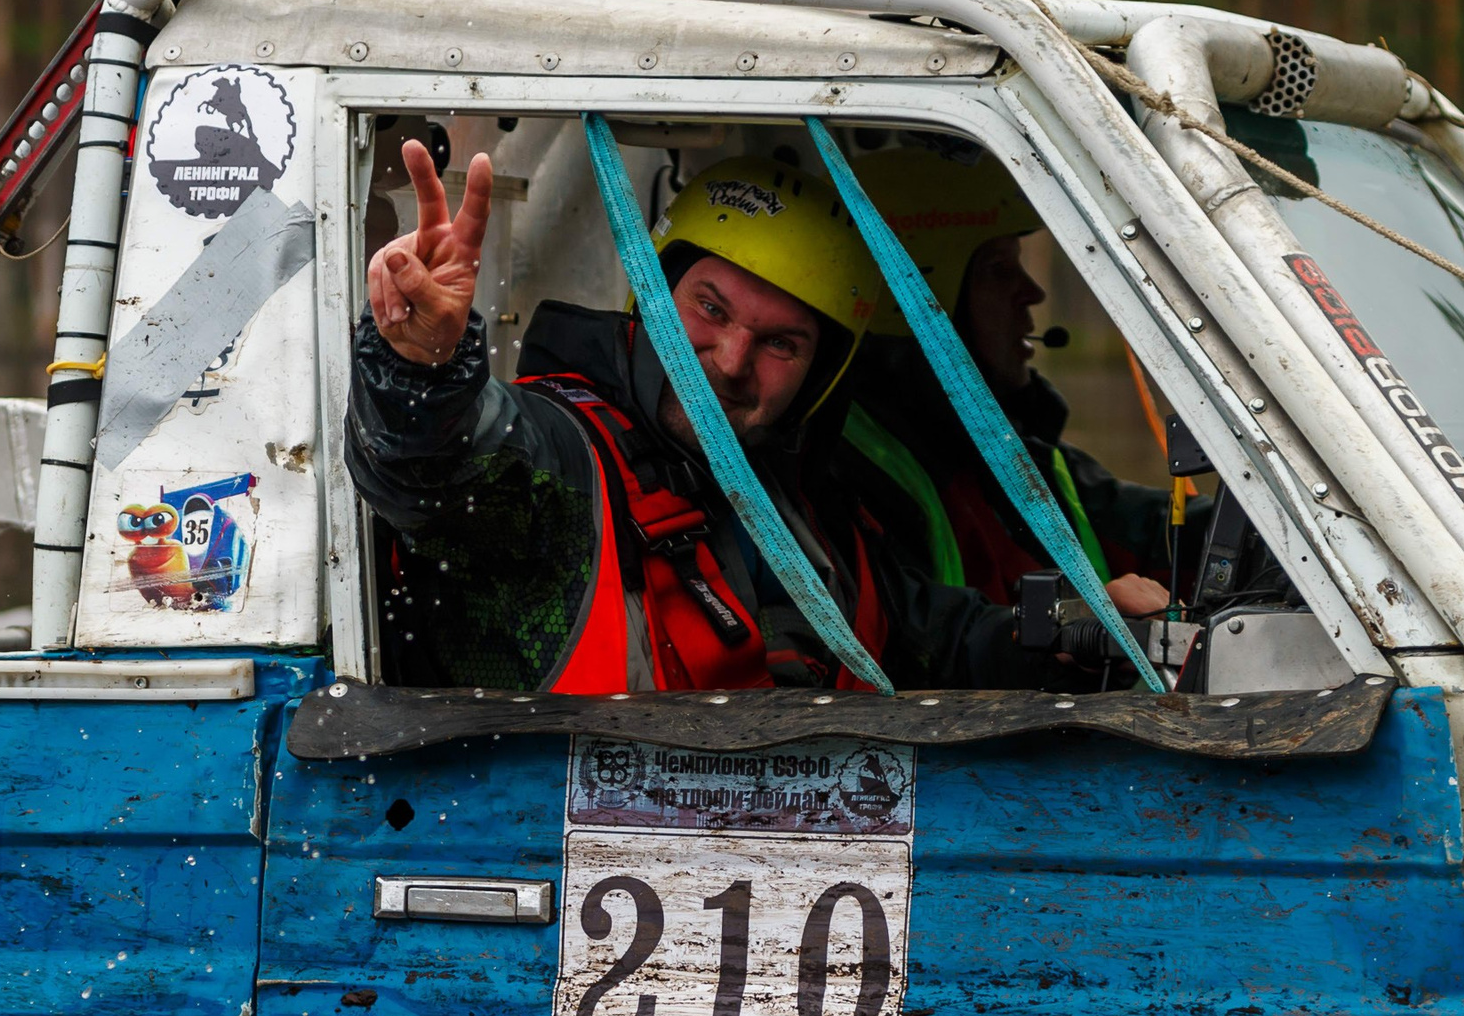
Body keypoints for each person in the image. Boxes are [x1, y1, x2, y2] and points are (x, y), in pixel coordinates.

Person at [347, 135, 1165, 693]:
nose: (731, 360)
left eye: (781, 343)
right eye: (707, 307)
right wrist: (421, 367)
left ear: (819, 375)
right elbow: (438, 469)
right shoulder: (561, 460)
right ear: (652, 295)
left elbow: (932, 634)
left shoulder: (799, 504)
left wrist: (1072, 620)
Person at [839, 145, 1205, 607]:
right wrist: (1074, 632)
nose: (1033, 292)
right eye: (999, 270)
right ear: (918, 296)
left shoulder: (1006, 446)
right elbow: (936, 638)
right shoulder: (854, 471)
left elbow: (1143, 527)